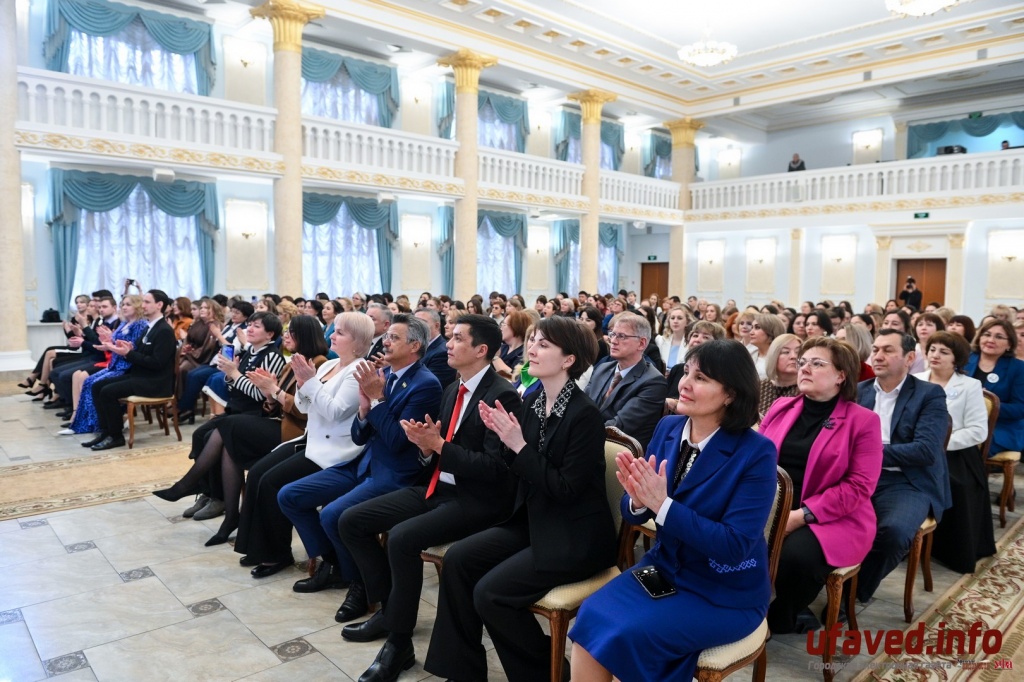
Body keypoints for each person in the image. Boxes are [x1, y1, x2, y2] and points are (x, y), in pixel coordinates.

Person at [569, 339, 777, 682]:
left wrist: (661, 505)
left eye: (701, 378)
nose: (684, 383)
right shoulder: (668, 428)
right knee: (591, 613)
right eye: (687, 372)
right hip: (665, 567)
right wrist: (638, 501)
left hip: (722, 589)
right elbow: (635, 510)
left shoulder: (756, 452)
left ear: (731, 394)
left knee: (630, 635)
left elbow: (735, 545)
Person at [423, 315, 614, 682]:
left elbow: (565, 489)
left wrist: (517, 445)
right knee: (458, 559)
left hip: (573, 535)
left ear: (569, 359)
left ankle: (546, 674)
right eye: (532, 341)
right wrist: (502, 440)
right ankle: (463, 671)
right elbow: (516, 468)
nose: (531, 349)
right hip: (533, 519)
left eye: (544, 344)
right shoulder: (535, 400)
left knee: (491, 594)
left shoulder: (585, 415)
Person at [337, 315, 523, 682]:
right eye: (450, 337)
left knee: (402, 538)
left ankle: (398, 641)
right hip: (439, 487)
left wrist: (438, 446)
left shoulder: (502, 394)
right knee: (352, 520)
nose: (448, 345)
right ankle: (390, 610)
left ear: (481, 350)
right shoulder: (453, 388)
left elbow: (495, 469)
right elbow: (436, 452)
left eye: (457, 339)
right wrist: (426, 448)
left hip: (478, 499)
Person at [278, 314, 442, 623]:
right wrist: (365, 412)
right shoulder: (384, 374)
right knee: (290, 495)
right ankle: (335, 564)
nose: (385, 342)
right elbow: (358, 435)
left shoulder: (425, 385)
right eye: (386, 336)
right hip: (363, 462)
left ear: (415, 346)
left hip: (395, 473)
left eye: (394, 337)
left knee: (332, 515)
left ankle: (362, 585)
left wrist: (376, 402)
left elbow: (398, 442)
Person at [153, 316, 327, 545]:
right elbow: (270, 405)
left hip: (294, 432)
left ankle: (190, 485)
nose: (286, 336)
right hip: (275, 420)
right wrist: (269, 394)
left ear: (304, 335)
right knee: (226, 444)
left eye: (291, 332)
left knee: (225, 425)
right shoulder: (290, 362)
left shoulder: (319, 363)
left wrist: (271, 390)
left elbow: (305, 410)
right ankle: (230, 516)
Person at [232, 312, 373, 578]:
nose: (332, 335)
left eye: (340, 332)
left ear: (357, 341)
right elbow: (303, 407)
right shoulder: (328, 366)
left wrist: (309, 382)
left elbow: (335, 412)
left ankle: (278, 553)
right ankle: (260, 547)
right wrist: (300, 384)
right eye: (335, 330)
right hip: (312, 441)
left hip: (335, 452)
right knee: (260, 472)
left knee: (273, 482)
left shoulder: (358, 370)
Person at [759, 337, 883, 633]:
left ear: (841, 375)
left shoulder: (863, 421)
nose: (804, 368)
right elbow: (755, 458)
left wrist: (800, 516)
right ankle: (733, 605)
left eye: (817, 363)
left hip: (833, 517)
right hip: (774, 505)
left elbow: (858, 486)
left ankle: (779, 619)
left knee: (795, 558)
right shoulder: (781, 407)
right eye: (802, 362)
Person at [855, 330, 950, 602]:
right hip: (860, 475)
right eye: (875, 349)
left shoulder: (929, 394)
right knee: (820, 517)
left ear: (909, 358)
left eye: (887, 350)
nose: (878, 356)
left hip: (907, 481)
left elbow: (925, 450)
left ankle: (854, 593)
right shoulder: (859, 391)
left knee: (893, 533)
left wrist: (870, 454)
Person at [914, 332, 995, 572]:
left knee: (955, 485)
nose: (935, 355)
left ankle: (950, 550)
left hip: (955, 453)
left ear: (956, 358)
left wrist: (940, 444)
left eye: (944, 352)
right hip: (917, 449)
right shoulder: (915, 380)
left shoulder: (970, 385)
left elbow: (978, 431)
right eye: (932, 349)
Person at [83, 290, 178, 451]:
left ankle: (116, 436)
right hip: (141, 376)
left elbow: (157, 363)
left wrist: (129, 353)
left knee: (107, 392)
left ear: (159, 305)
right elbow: (139, 352)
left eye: (147, 302)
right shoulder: (150, 327)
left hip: (155, 382)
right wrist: (122, 349)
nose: (143, 305)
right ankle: (106, 432)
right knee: (97, 386)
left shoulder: (164, 331)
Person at [584, 312, 667, 450]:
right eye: (612, 334)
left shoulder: (654, 382)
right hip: (589, 442)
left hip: (619, 452)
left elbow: (618, 427)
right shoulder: (603, 369)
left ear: (641, 343)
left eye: (621, 336)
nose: (613, 341)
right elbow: (582, 406)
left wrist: (578, 433)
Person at [963, 318, 1024, 456]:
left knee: (968, 442)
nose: (991, 340)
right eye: (987, 334)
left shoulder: (1018, 368)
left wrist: (988, 404)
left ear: (1009, 344)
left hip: (1001, 427)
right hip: (963, 421)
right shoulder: (965, 360)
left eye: (999, 337)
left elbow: (1020, 408)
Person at [758, 333, 801, 418]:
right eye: (786, 352)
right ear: (774, 356)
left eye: (798, 352)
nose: (793, 356)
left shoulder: (806, 390)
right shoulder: (760, 386)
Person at [492, 309, 529, 379]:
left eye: (504, 324)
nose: (501, 328)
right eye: (501, 324)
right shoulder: (503, 347)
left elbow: (513, 377)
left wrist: (495, 357)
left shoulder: (524, 353)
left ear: (515, 327)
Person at [748, 313, 786, 380]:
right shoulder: (750, 354)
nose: (751, 332)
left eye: (757, 327)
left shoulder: (782, 357)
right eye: (752, 328)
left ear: (771, 331)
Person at [655, 305, 690, 372]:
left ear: (687, 322)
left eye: (679, 318)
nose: (675, 321)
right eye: (672, 318)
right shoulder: (660, 340)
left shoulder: (691, 343)